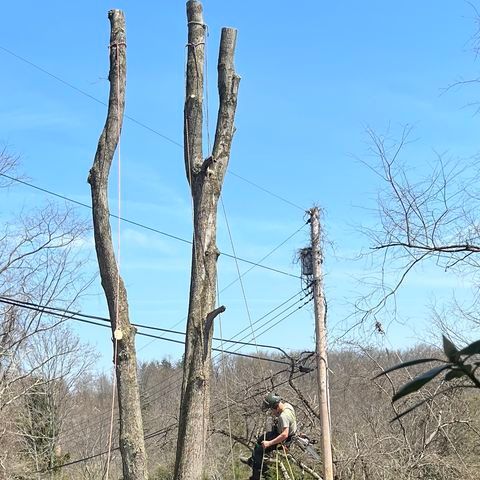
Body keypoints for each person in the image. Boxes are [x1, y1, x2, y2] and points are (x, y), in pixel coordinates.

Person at [240, 393, 297, 480]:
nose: (272, 412)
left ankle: (257, 476)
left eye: (271, 410)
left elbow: (284, 434)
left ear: (276, 407)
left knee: (259, 449)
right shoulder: (288, 406)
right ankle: (252, 461)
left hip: (283, 439)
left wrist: (269, 443)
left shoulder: (283, 416)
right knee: (260, 440)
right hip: (285, 434)